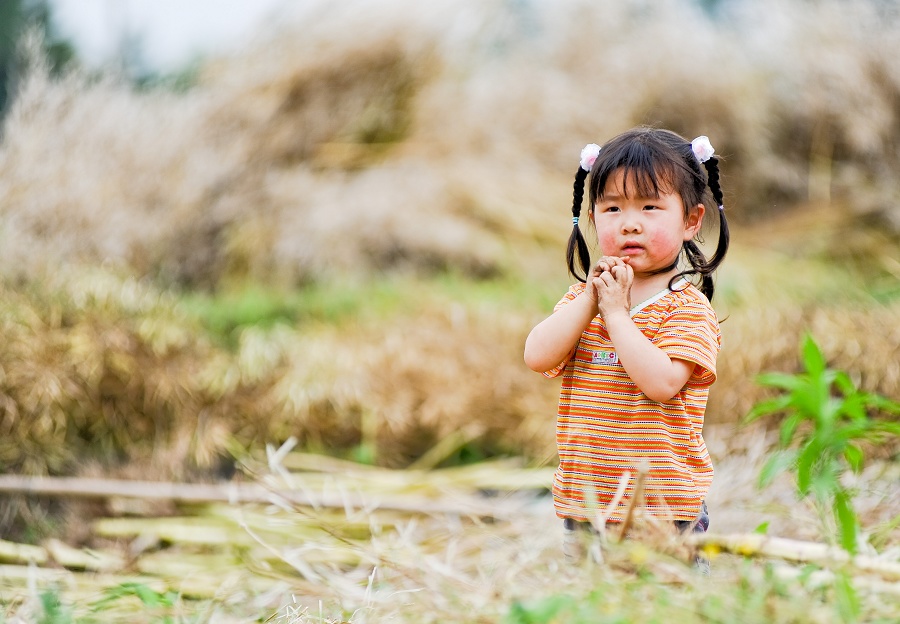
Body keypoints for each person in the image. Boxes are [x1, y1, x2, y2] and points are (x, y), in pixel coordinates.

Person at [523, 126, 730, 566]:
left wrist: (615, 314)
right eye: (613, 207)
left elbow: (661, 383)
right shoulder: (586, 300)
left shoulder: (687, 309)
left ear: (691, 221)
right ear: (595, 220)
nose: (630, 222)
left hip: (663, 510)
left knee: (669, 607)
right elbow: (537, 355)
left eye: (651, 207)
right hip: (586, 505)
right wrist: (591, 301)